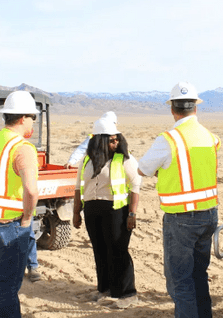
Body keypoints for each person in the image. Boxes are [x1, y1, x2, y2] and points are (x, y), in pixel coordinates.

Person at [137, 82, 220, 318]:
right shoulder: (211, 137)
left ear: (172, 109)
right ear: (196, 108)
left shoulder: (169, 139)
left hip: (182, 218)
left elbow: (143, 169)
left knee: (180, 281)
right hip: (209, 214)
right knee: (199, 275)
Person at [0, 91, 40, 318]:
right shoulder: (23, 148)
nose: (34, 122)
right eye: (33, 117)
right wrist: (27, 219)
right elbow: (31, 190)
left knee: (5, 278)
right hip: (7, 225)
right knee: (8, 287)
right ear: (23, 118)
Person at [72, 118, 141, 309]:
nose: (115, 143)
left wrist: (132, 214)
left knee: (118, 251)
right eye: (111, 140)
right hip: (92, 211)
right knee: (100, 251)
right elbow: (78, 187)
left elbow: (136, 185)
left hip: (116, 212)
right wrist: (76, 212)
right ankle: (104, 289)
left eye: (116, 139)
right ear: (99, 141)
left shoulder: (124, 159)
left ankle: (127, 293)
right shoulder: (86, 160)